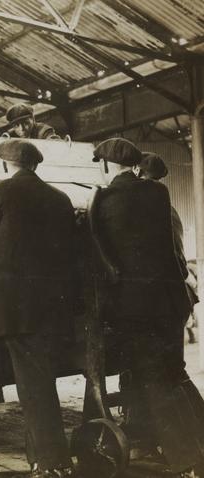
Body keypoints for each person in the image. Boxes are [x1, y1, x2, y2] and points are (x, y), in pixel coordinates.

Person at [91, 138, 204, 478]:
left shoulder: (103, 199)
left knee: (154, 380)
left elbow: (99, 252)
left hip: (134, 308)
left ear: (106, 165)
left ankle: (188, 460)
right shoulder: (158, 193)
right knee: (173, 373)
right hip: (168, 302)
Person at [0, 140, 76, 478]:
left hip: (13, 307)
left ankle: (52, 462)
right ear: (35, 165)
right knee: (38, 379)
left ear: (6, 164)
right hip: (52, 306)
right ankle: (42, 458)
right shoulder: (60, 198)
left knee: (33, 385)